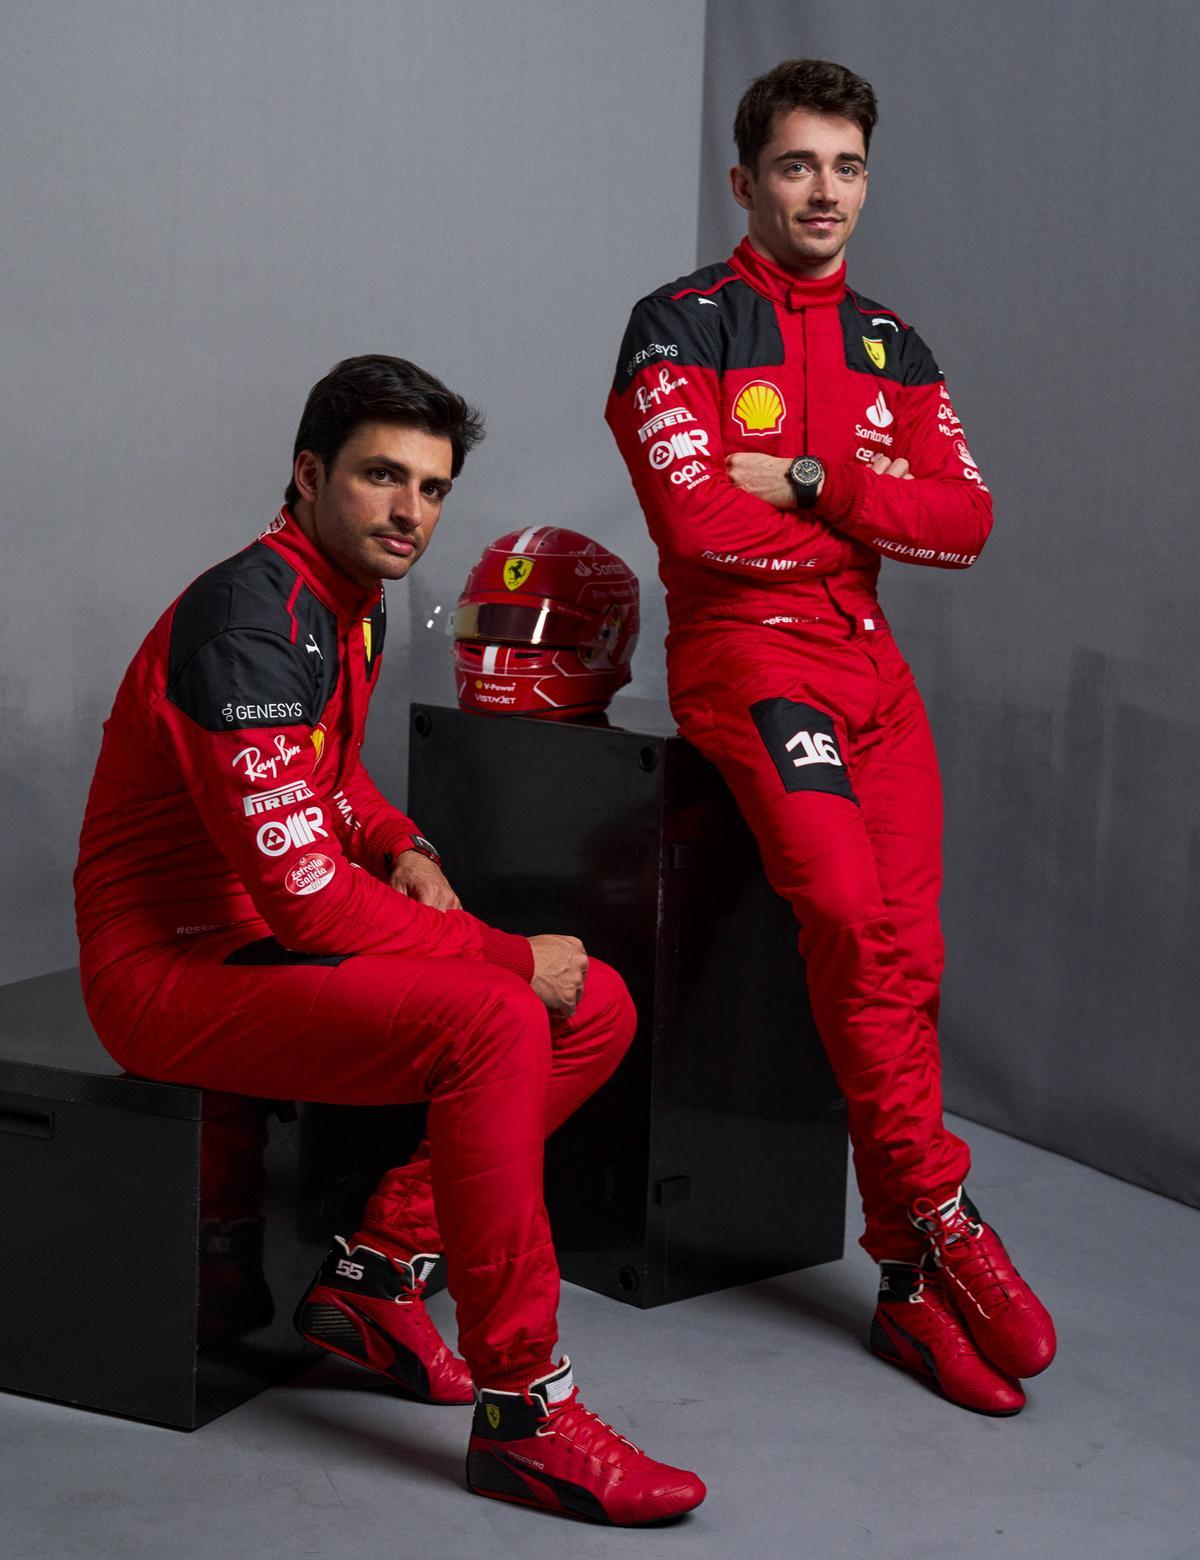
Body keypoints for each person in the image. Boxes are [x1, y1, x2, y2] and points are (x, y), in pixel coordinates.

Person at [74, 354, 705, 1523]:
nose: (407, 509)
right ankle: (527, 1412)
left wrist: (403, 842)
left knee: (599, 1004)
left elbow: (335, 779)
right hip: (164, 972)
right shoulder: (246, 625)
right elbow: (310, 905)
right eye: (379, 476)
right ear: (310, 476)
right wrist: (511, 956)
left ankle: (376, 1275)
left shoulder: (341, 608)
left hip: (256, 941)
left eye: (430, 487)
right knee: (500, 1012)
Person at [605, 59, 1055, 1417]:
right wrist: (869, 519)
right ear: (745, 182)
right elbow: (696, 529)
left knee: (909, 961)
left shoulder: (892, 344)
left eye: (846, 167)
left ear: (866, 178)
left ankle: (908, 1294)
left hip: (874, 675)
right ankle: (941, 1212)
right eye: (796, 165)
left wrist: (812, 481)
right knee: (852, 921)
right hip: (748, 664)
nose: (823, 191)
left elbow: (967, 526)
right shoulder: (679, 324)